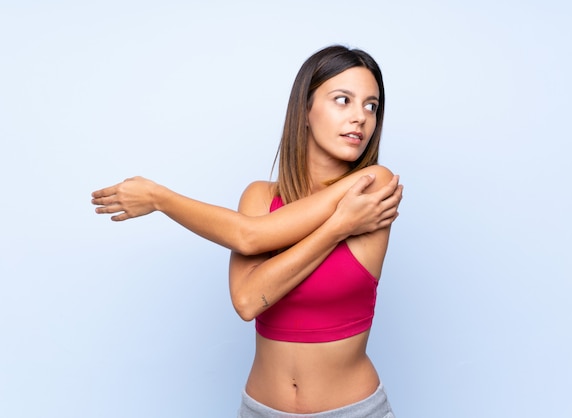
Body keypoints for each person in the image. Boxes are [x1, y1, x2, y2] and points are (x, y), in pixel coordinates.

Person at [92, 45, 402, 417]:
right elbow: (247, 300)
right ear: (304, 110)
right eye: (342, 100)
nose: (360, 118)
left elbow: (250, 237)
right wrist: (339, 226)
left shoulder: (374, 184)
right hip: (260, 409)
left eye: (371, 106)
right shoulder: (259, 197)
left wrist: (161, 198)